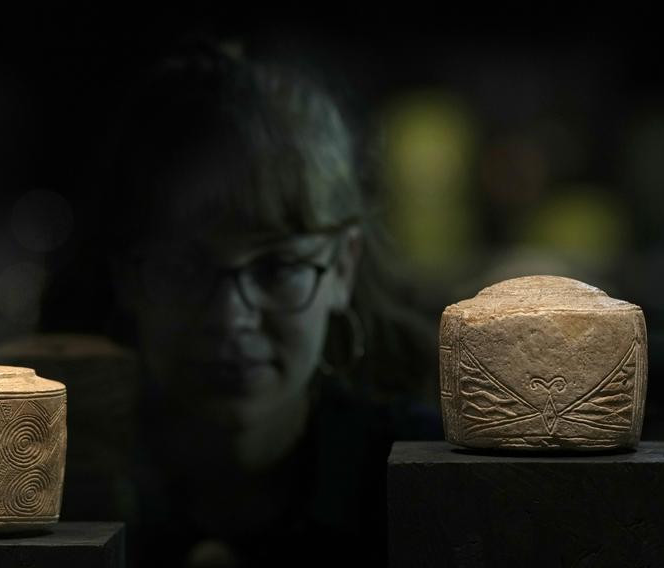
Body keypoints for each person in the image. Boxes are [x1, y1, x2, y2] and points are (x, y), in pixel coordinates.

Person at [47, 41, 442, 567]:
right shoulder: (54, 487)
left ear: (343, 267)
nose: (230, 317)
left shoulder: (424, 481)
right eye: (185, 271)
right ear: (126, 277)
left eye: (276, 268)